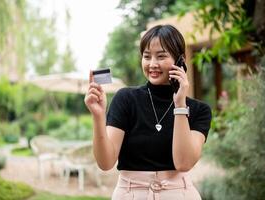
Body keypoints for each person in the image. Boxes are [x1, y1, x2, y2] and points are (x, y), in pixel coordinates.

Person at [84, 24, 212, 200]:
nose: (152, 64)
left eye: (161, 56)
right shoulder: (126, 98)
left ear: (180, 61)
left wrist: (180, 104)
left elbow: (183, 163)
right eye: (146, 56)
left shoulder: (200, 110)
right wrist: (98, 116)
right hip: (130, 194)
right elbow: (105, 163)